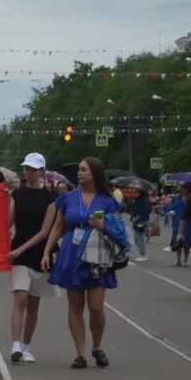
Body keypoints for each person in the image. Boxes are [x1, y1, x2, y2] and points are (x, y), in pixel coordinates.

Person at [42, 156, 127, 368]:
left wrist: (103, 225)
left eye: (84, 170)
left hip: (97, 256)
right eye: (79, 170)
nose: (79, 173)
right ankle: (80, 353)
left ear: (95, 174)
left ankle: (97, 346)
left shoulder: (107, 200)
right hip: (72, 254)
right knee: (75, 306)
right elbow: (58, 227)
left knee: (96, 307)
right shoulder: (68, 198)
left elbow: (118, 228)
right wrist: (46, 251)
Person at [5, 153, 56, 363]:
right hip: (17, 254)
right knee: (21, 297)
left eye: (33, 169)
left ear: (42, 171)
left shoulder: (51, 199)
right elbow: (7, 222)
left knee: (34, 304)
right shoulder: (16, 195)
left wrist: (22, 249)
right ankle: (16, 344)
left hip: (40, 254)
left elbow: (45, 231)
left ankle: (26, 345)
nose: (29, 173)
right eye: (27, 168)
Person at [128, 185, 152, 262]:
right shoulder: (140, 199)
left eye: (137, 190)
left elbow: (145, 211)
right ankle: (142, 254)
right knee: (138, 237)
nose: (136, 190)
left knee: (139, 237)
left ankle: (143, 254)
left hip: (141, 220)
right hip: (139, 219)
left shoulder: (144, 200)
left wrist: (137, 217)